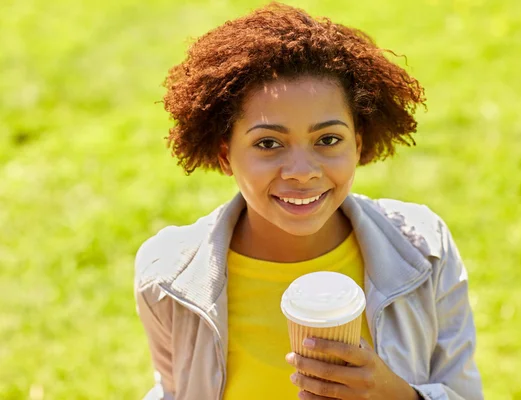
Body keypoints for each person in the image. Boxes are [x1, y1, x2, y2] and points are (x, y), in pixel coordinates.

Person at [134, 3, 483, 400]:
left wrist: (396, 394)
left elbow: (465, 390)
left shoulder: (424, 248)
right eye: (268, 143)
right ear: (224, 154)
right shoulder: (169, 276)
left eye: (328, 140)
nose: (302, 171)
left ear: (359, 143)